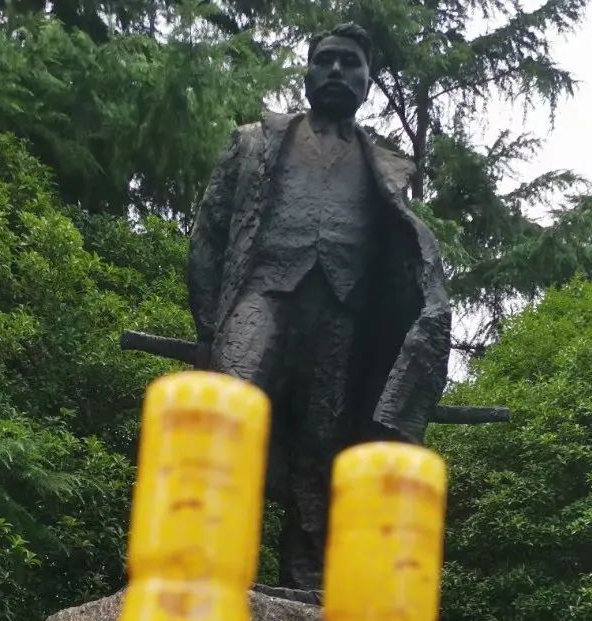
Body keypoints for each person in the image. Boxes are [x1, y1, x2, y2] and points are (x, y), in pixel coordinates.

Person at [188, 22, 453, 590]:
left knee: (322, 444)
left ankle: (304, 579)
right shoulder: (256, 142)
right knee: (231, 415)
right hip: (263, 298)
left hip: (342, 316)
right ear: (307, 73)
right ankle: (210, 556)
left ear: (368, 81)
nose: (336, 70)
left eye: (350, 62)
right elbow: (208, 235)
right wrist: (210, 324)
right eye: (325, 59)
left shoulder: (387, 169)